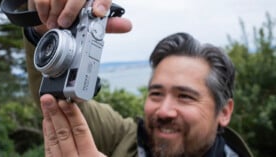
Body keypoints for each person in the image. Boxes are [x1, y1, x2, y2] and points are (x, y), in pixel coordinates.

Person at [24, 0, 253, 156]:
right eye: (156, 93)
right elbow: (57, 101)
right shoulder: (123, 138)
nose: (163, 111)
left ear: (224, 112)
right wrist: (48, 30)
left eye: (185, 96)